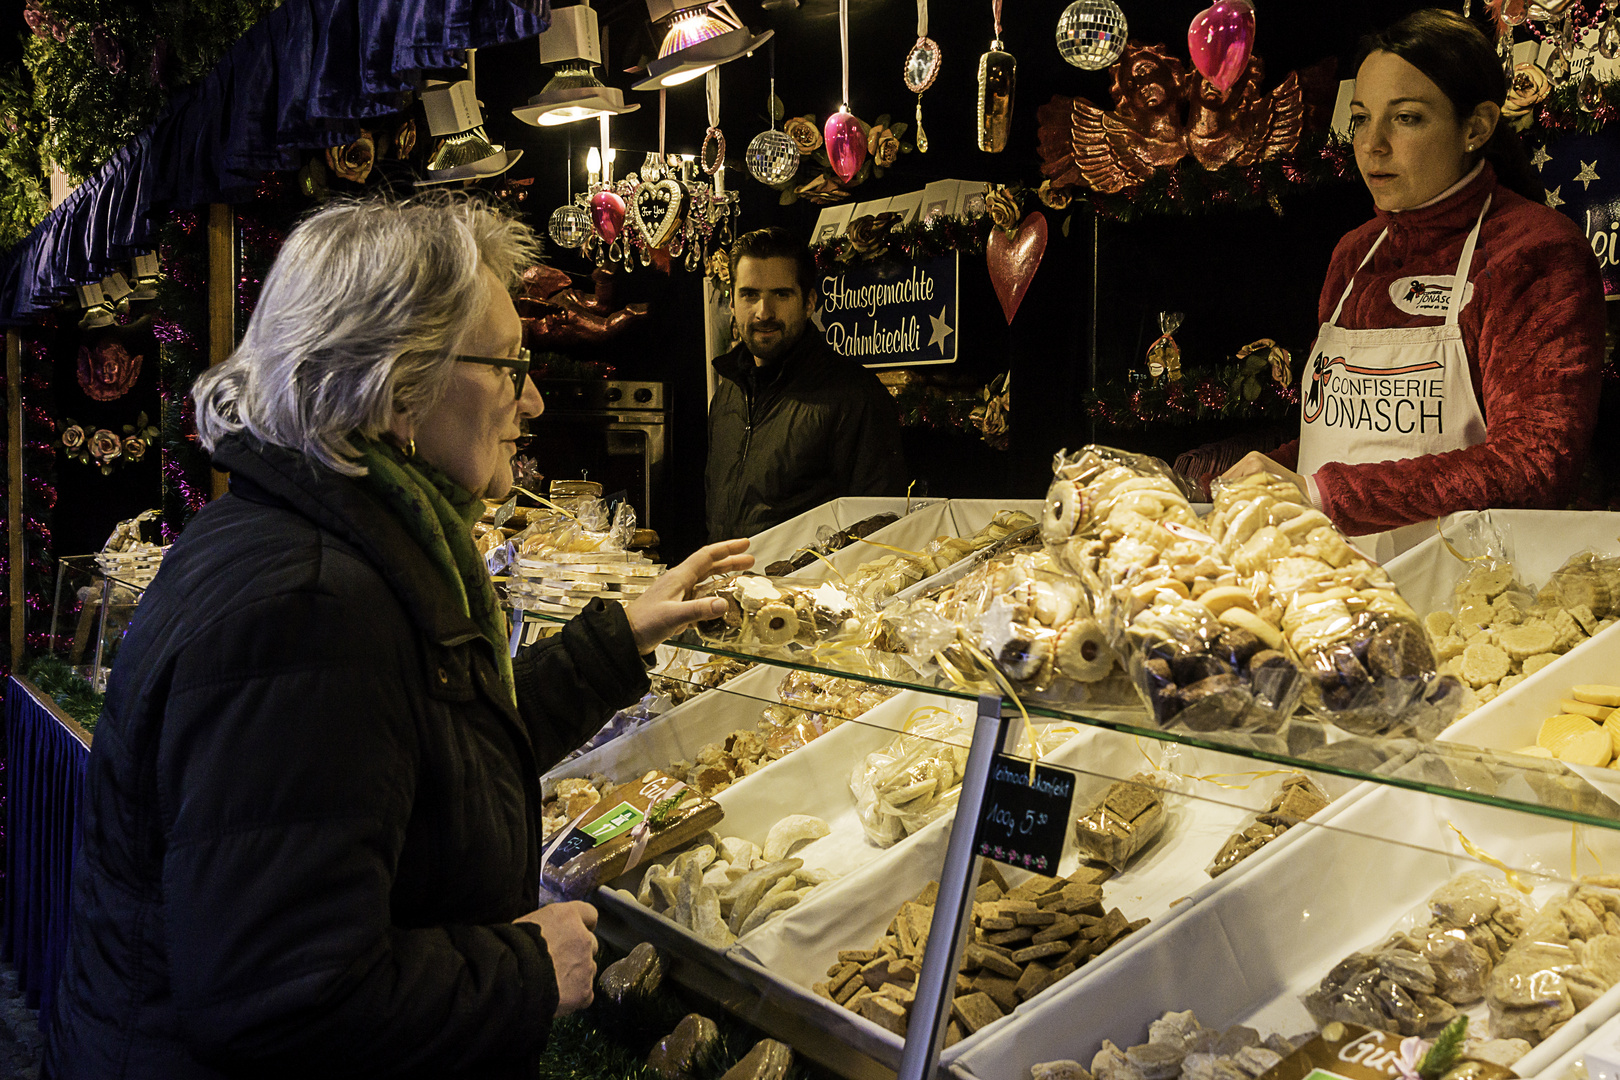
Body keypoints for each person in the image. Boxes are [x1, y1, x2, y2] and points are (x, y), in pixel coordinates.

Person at [44, 195, 753, 1080]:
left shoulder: (329, 542)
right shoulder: (309, 608)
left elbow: (425, 757)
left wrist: (617, 638)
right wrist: (527, 969)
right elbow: (281, 995)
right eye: (509, 364)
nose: (531, 397)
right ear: (400, 385)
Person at [1223, 9, 1605, 561]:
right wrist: (1275, 474)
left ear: (1476, 127)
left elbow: (1535, 464)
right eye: (1360, 118)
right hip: (1329, 586)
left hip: (1471, 599)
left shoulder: (1533, 252)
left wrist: (1326, 493)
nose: (1372, 145)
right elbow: (1346, 439)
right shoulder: (1356, 253)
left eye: (1405, 118)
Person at [705, 226, 907, 542]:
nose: (763, 312)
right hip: (729, 587)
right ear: (732, 302)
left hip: (809, 590)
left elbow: (880, 530)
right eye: (750, 294)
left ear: (809, 302)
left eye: (781, 294)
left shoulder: (855, 395)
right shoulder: (729, 393)